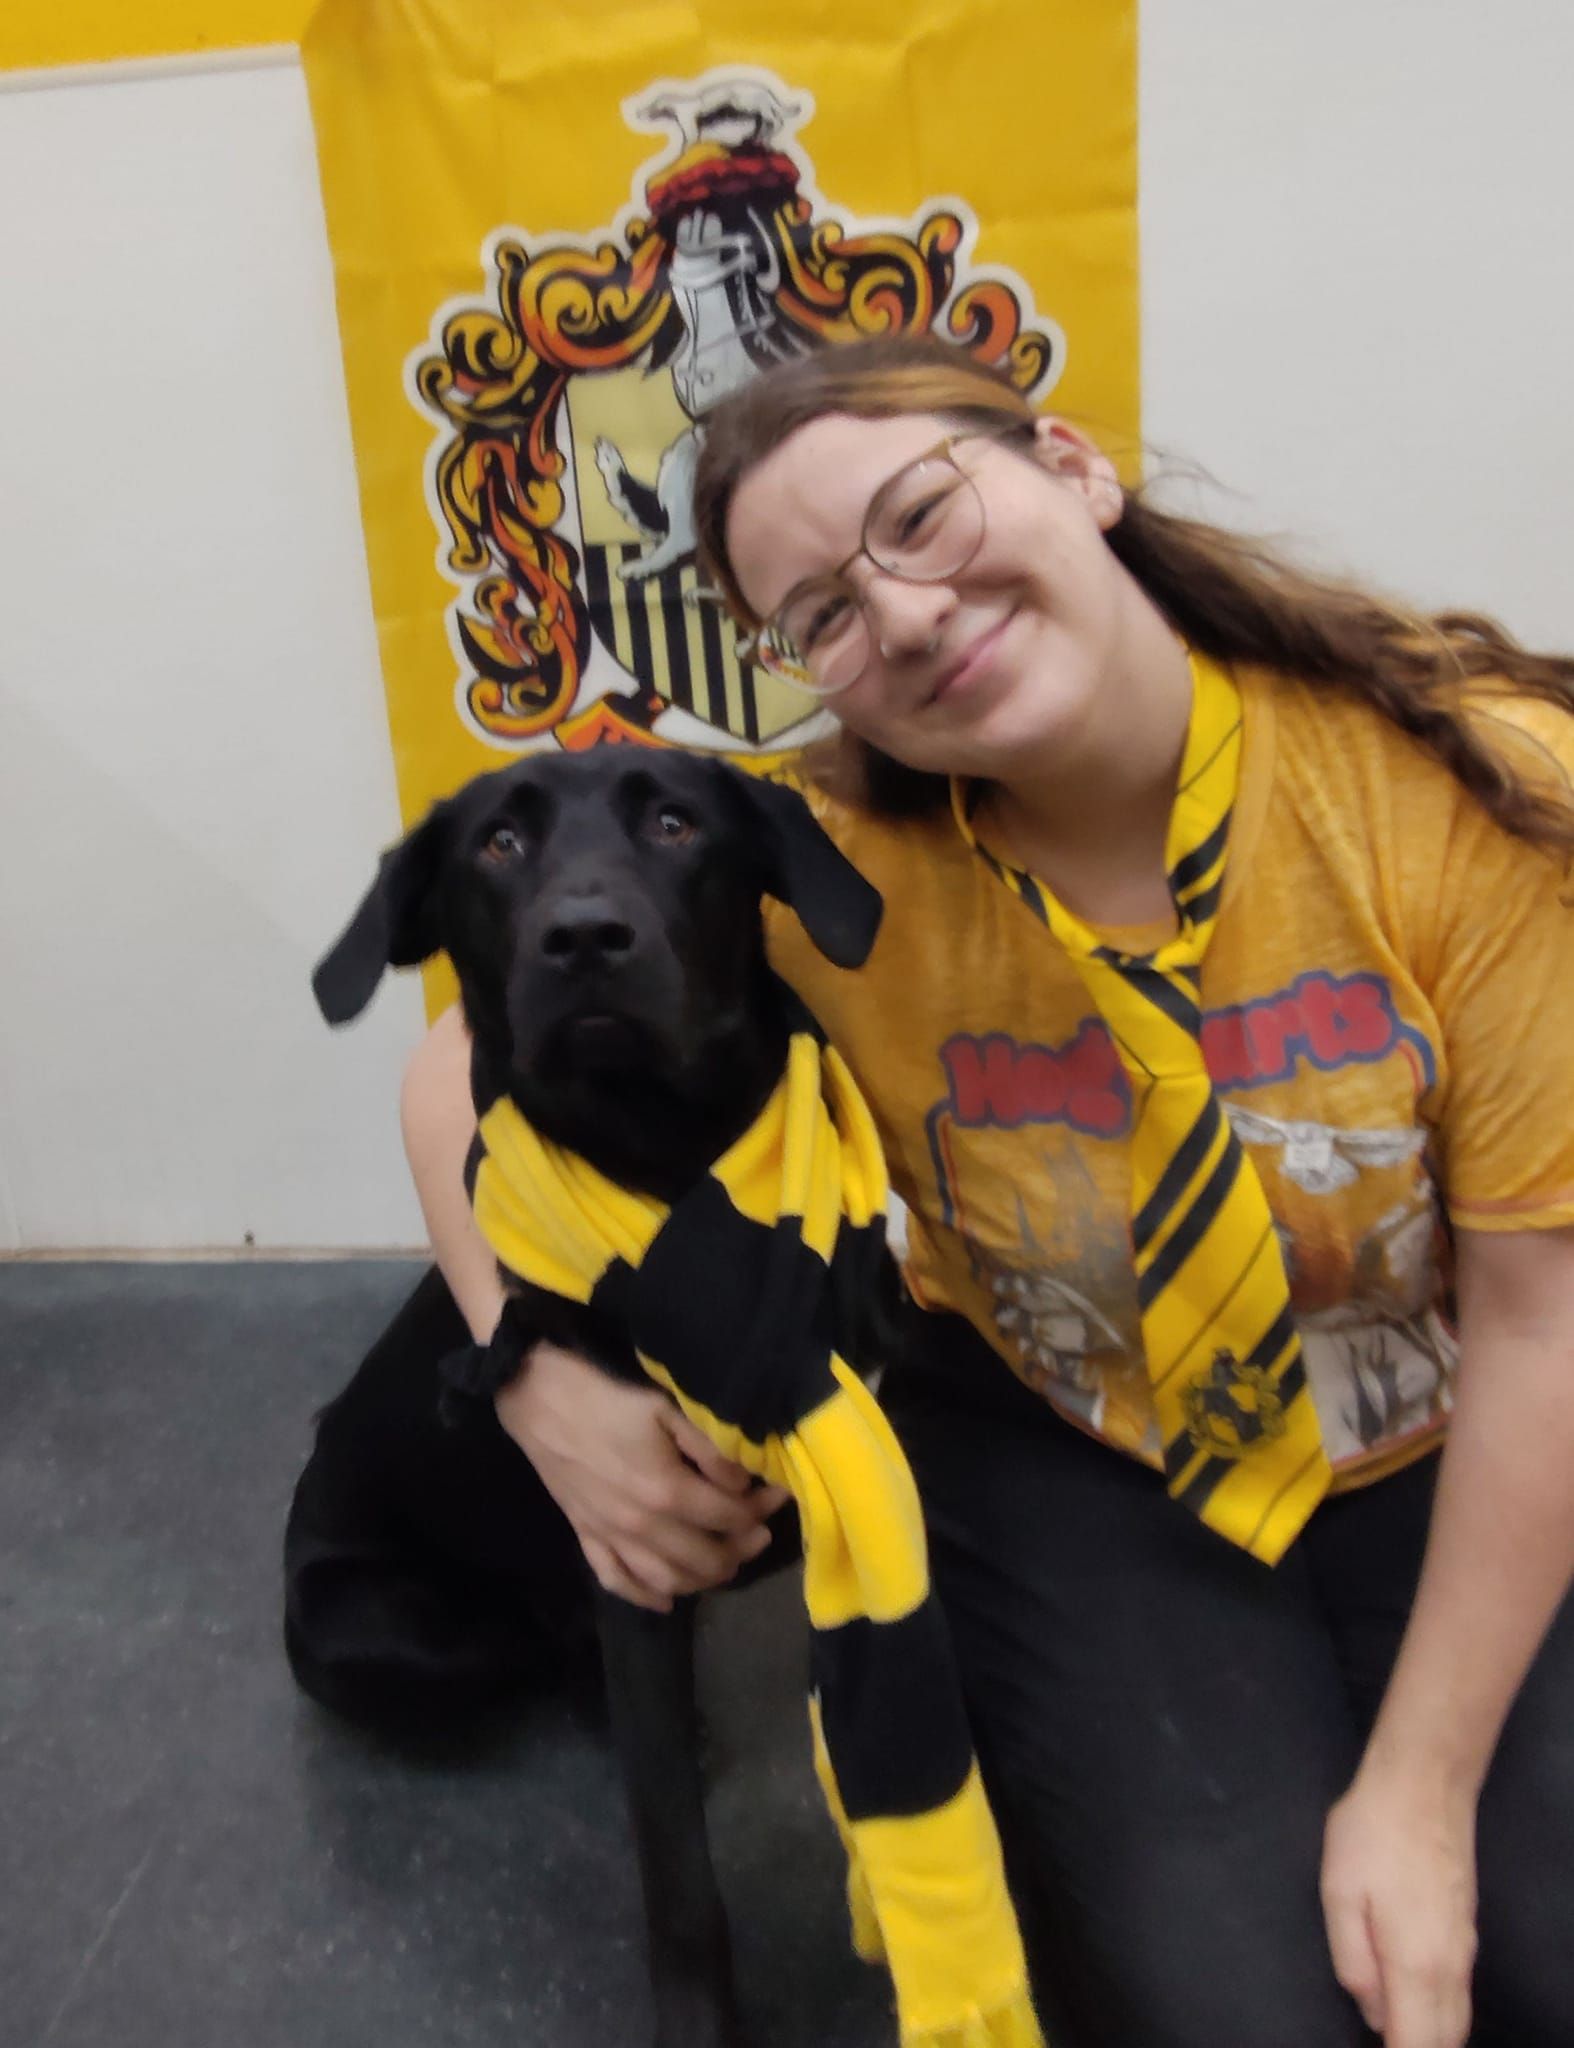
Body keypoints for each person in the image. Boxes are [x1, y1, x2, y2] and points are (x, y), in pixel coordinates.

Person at [399, 336, 1574, 2048]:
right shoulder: (834, 862)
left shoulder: (1461, 787)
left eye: (921, 517)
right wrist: (531, 1371)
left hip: (1442, 1424)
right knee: (1248, 2016)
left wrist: (1417, 1789)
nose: (906, 614)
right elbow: (456, 1063)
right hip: (1078, 1448)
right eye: (821, 615)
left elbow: (1544, 1320)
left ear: (1071, 470)